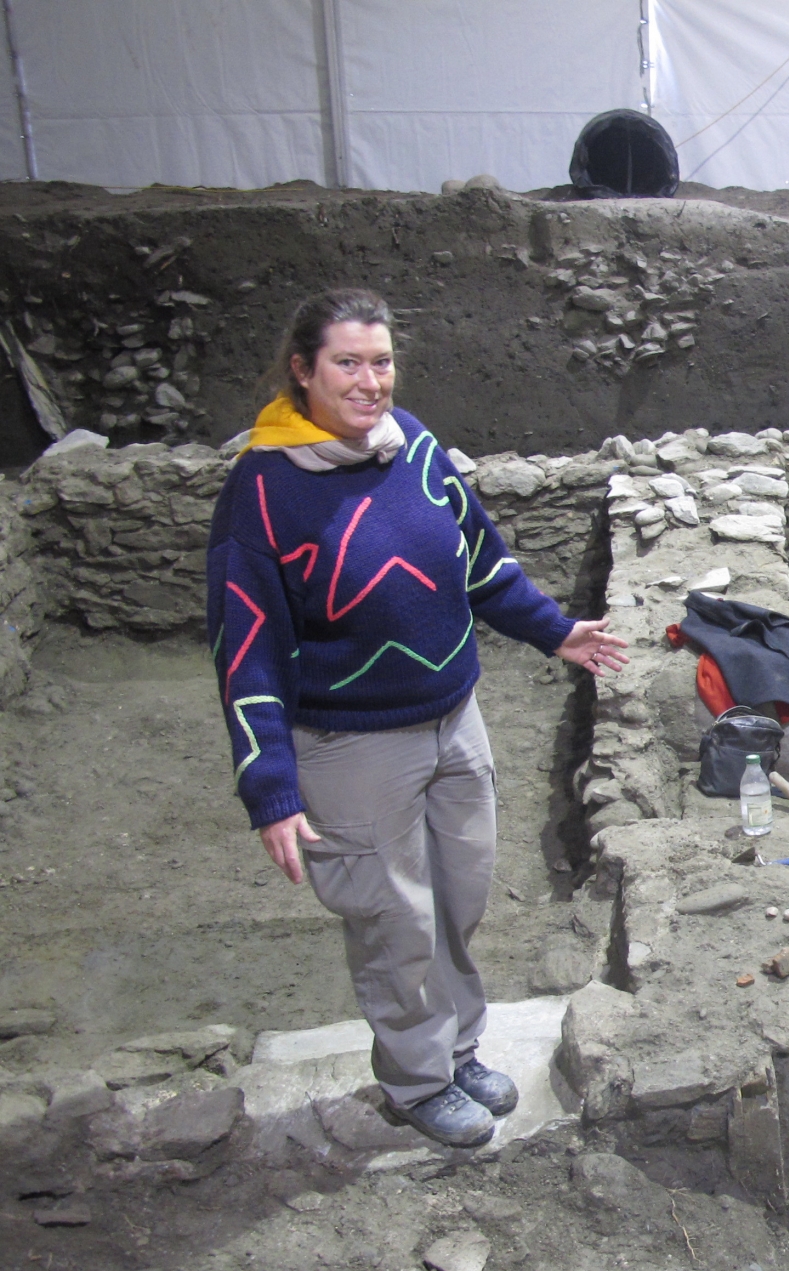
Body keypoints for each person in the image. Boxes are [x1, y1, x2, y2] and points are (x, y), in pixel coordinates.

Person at [205, 288, 630, 1149]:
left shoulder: (418, 450)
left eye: (383, 361)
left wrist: (556, 631)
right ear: (303, 371)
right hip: (349, 746)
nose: (371, 382)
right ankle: (414, 1080)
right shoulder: (262, 490)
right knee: (394, 920)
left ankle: (459, 1046)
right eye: (348, 364)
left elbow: (482, 562)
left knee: (459, 897)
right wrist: (271, 784)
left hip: (453, 719)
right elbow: (241, 646)